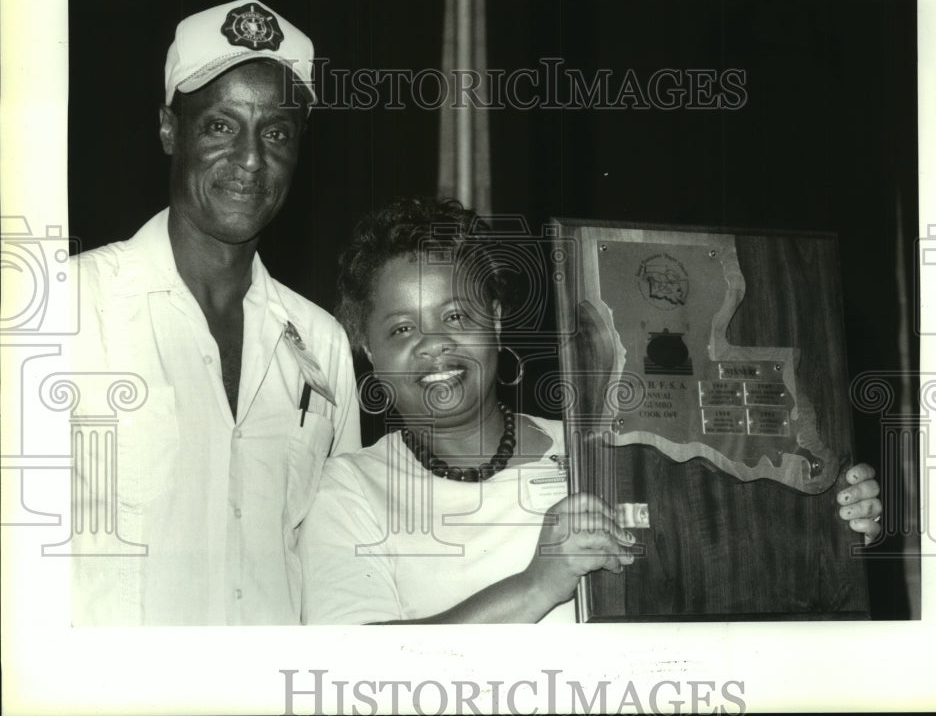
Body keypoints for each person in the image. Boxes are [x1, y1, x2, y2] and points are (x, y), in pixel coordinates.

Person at [299, 198, 882, 624]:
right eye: (402, 328)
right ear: (368, 351)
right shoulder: (348, 493)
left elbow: (724, 569)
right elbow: (359, 674)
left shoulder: (610, 449)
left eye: (456, 316)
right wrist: (537, 585)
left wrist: (829, 521)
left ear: (497, 320)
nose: (434, 346)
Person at [68, 0, 361, 625]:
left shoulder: (323, 341)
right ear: (171, 131)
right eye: (221, 126)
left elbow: (336, 569)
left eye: (276, 132)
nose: (252, 159)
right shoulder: (68, 306)